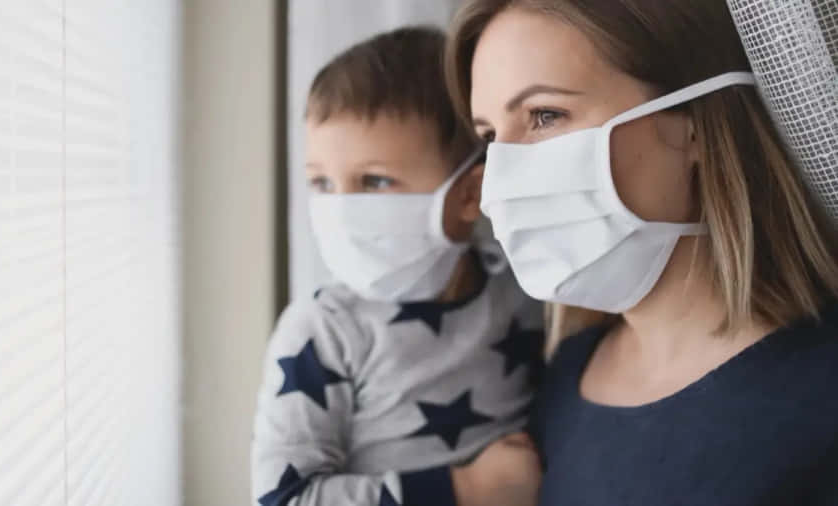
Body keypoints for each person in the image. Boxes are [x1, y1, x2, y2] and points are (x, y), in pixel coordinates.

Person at [440, 0, 838, 505]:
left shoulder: (822, 395)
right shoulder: (566, 371)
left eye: (545, 115)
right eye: (490, 136)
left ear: (692, 124)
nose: (500, 179)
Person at [251, 26, 543, 506]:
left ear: (470, 193)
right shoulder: (321, 332)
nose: (341, 210)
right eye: (321, 183)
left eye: (375, 181)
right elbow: (284, 498)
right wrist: (464, 490)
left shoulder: (525, 294)